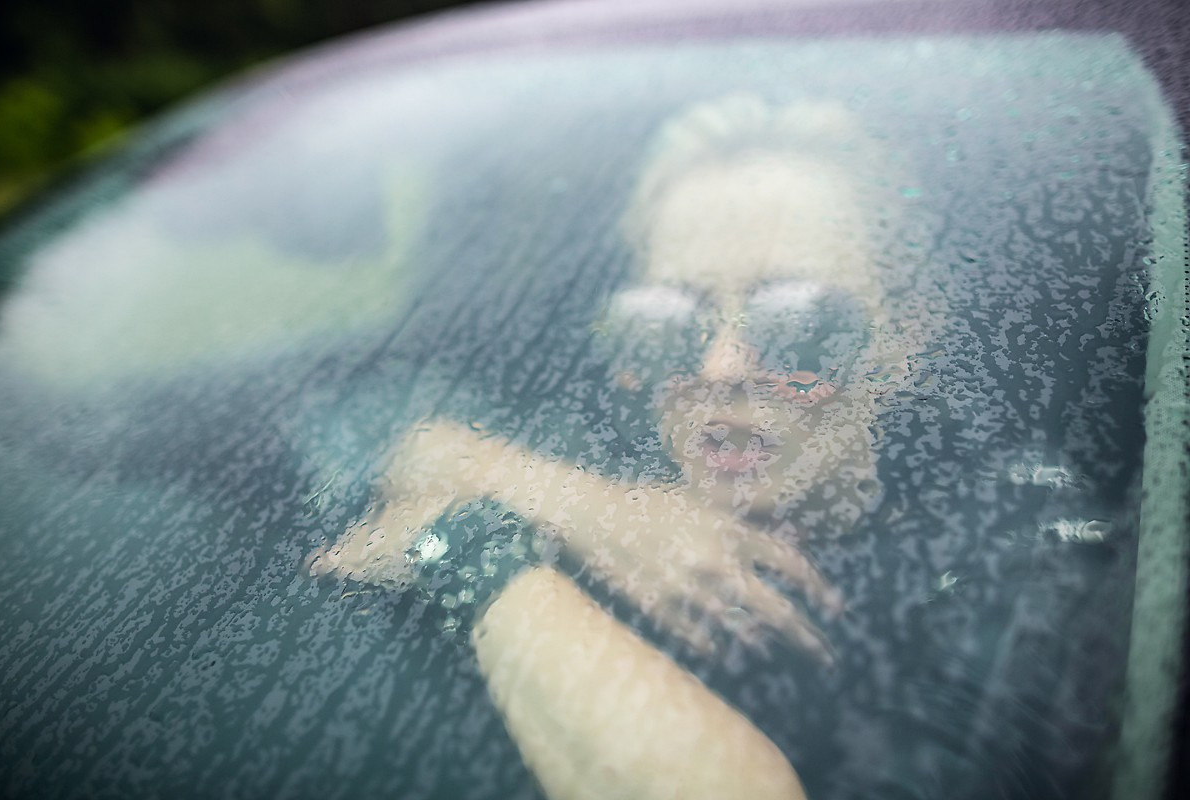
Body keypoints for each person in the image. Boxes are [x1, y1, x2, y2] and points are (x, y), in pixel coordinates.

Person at [308, 95, 933, 800]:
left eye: (801, 323)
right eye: (666, 326)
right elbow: (421, 451)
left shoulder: (1001, 568)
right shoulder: (606, 459)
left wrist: (467, 547)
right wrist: (603, 512)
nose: (720, 368)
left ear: (905, 337)